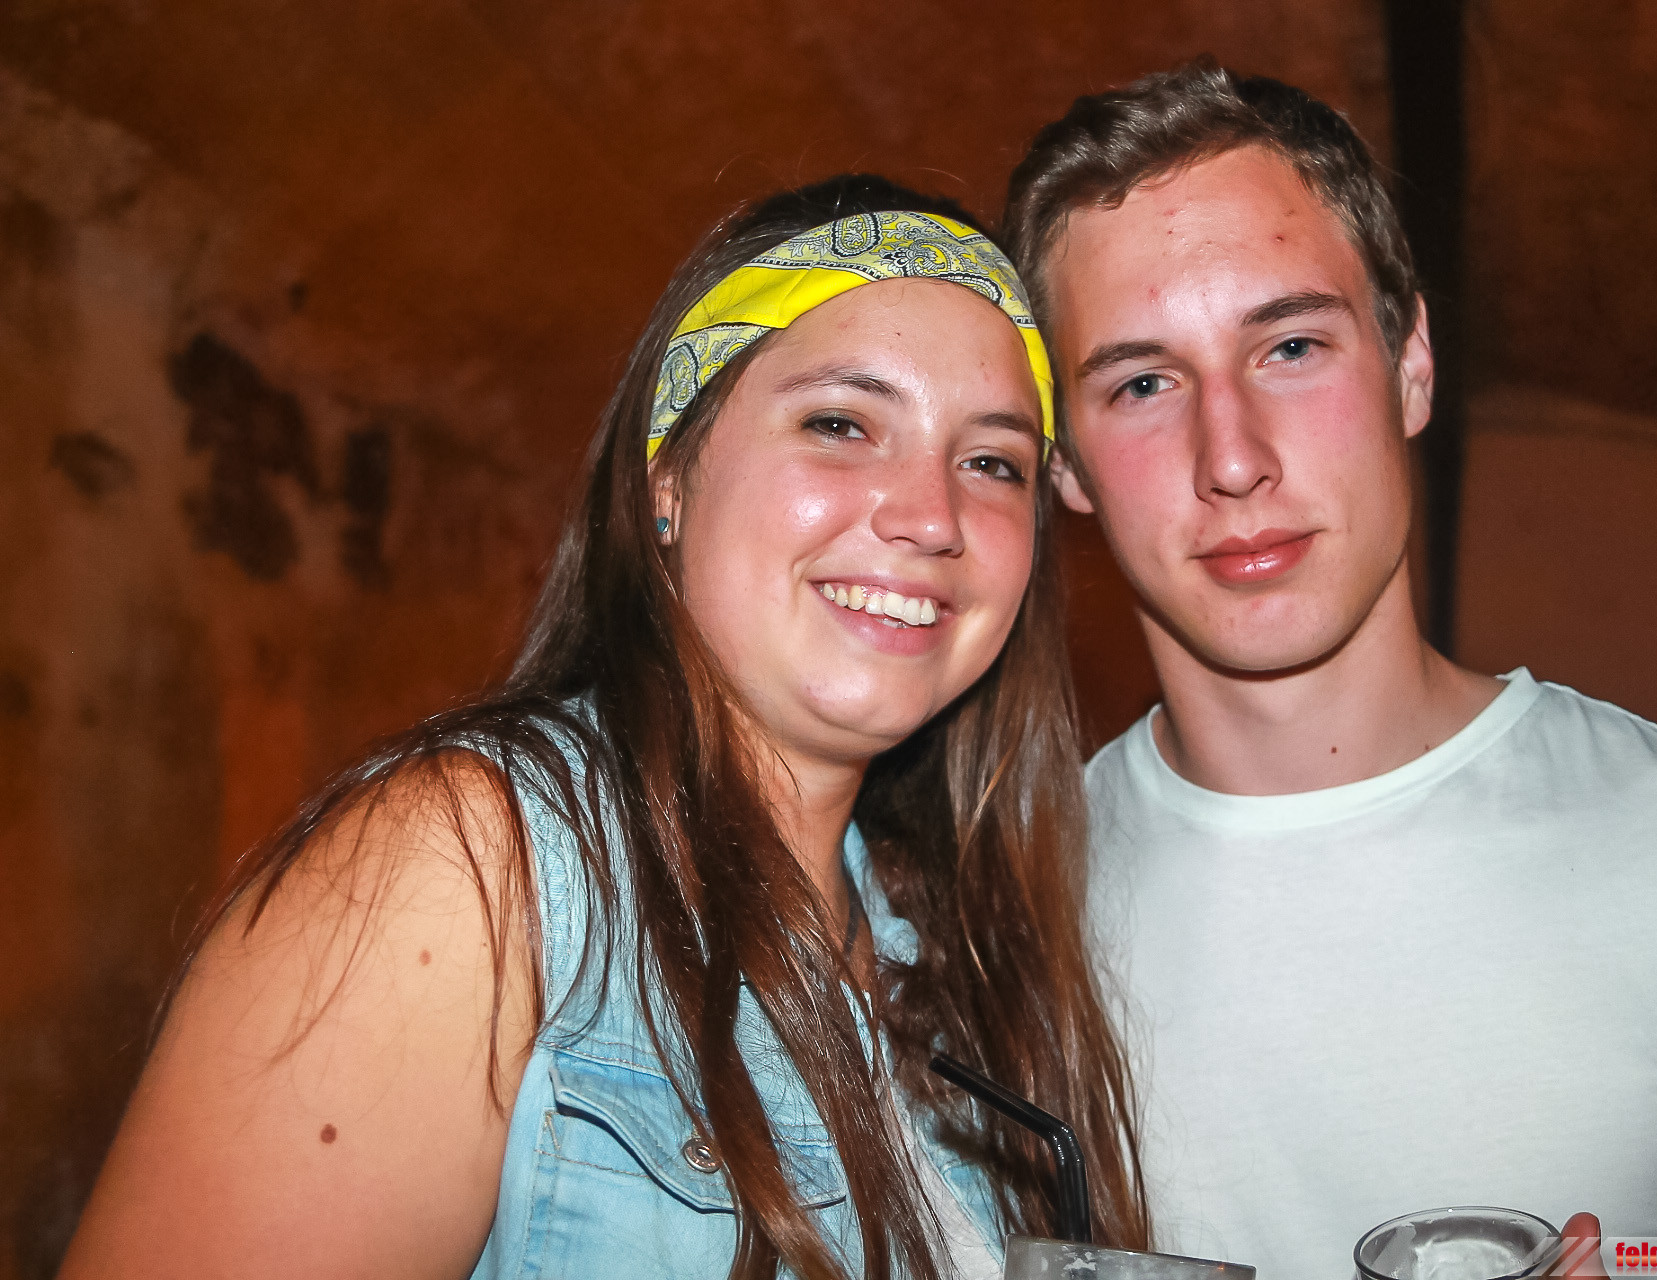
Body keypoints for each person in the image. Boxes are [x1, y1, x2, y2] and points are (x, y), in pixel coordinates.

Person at [60, 176, 1151, 1279]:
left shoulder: (953, 956)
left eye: (991, 462)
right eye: (840, 423)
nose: (931, 516)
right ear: (669, 475)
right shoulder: (476, 870)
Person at [1001, 59, 1657, 1278]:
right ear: (1064, 462)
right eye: (1144, 382)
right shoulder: (998, 919)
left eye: (1290, 345)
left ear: (1412, 364)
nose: (1232, 456)